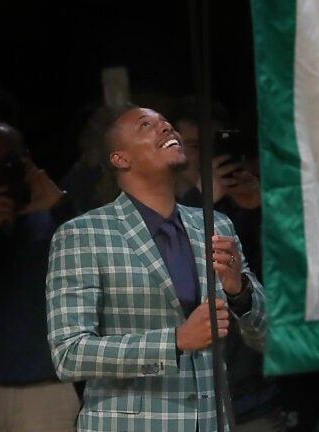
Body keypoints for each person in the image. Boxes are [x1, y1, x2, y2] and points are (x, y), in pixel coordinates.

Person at [45, 106, 266, 432]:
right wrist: (175, 340)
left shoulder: (215, 225)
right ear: (120, 159)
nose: (166, 128)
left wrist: (240, 291)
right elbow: (69, 353)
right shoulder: (83, 234)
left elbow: (268, 335)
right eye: (146, 125)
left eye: (167, 124)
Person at [170, 100, 286, 431]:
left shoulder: (244, 209)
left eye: (214, 145)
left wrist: (259, 211)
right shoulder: (158, 210)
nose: (205, 156)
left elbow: (277, 288)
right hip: (188, 402)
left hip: (252, 392)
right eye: (193, 146)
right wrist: (199, 200)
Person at [0, 121, 79, 431]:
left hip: (46, 392)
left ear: (26, 160)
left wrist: (60, 206)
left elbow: (100, 266)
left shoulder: (56, 218)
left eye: (8, 162)